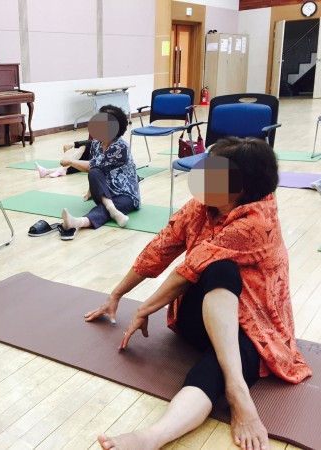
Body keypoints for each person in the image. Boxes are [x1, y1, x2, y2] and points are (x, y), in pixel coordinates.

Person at [85, 137, 312, 450]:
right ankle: (236, 387)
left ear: (240, 187)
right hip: (199, 318)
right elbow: (161, 249)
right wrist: (116, 295)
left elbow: (188, 269)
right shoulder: (202, 205)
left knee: (225, 339)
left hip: (255, 329)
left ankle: (154, 436)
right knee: (219, 270)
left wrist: (144, 308)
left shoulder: (257, 221)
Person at [60, 105, 141, 237]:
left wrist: (70, 161)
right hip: (104, 191)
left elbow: (91, 165)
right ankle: (112, 209)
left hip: (126, 194)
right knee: (95, 172)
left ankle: (77, 222)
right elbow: (94, 169)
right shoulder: (97, 143)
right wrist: (90, 190)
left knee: (105, 208)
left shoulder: (120, 147)